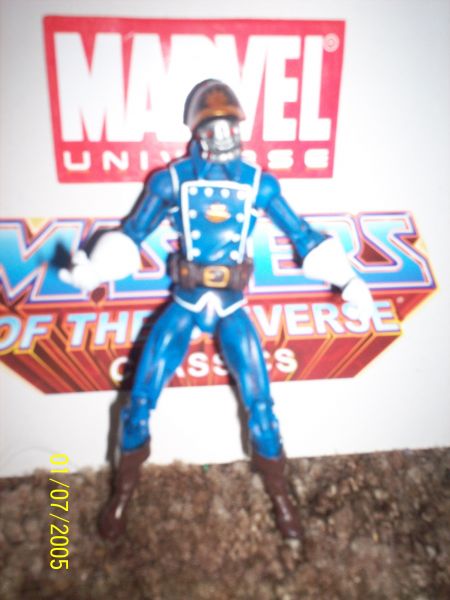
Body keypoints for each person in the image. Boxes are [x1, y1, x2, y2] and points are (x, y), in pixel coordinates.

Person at [60, 79, 373, 541]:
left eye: (231, 126)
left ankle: (281, 498)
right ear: (198, 132)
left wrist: (348, 278)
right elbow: (133, 232)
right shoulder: (172, 181)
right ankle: (121, 496)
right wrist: (97, 269)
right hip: (186, 300)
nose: (225, 136)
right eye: (214, 127)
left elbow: (302, 234)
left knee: (261, 406)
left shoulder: (258, 184)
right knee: (139, 401)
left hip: (231, 304)